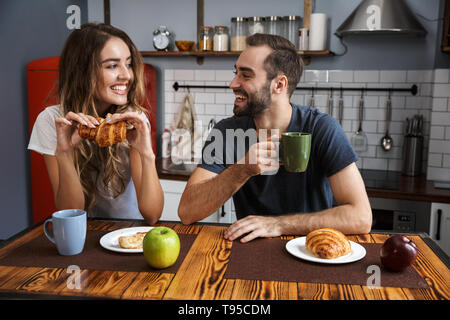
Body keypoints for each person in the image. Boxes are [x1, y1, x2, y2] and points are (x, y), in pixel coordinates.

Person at [178, 33, 372, 242]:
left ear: (279, 85)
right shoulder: (226, 131)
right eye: (235, 73)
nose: (233, 83)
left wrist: (278, 225)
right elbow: (187, 212)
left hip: (312, 250)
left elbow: (361, 217)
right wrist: (241, 170)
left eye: (246, 75)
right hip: (248, 254)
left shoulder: (322, 128)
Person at [28, 23, 163, 225]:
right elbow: (70, 213)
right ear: (82, 71)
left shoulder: (132, 121)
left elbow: (152, 215)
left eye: (128, 64)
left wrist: (146, 154)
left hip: (128, 231)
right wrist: (64, 153)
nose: (126, 75)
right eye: (112, 65)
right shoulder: (52, 122)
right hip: (85, 234)